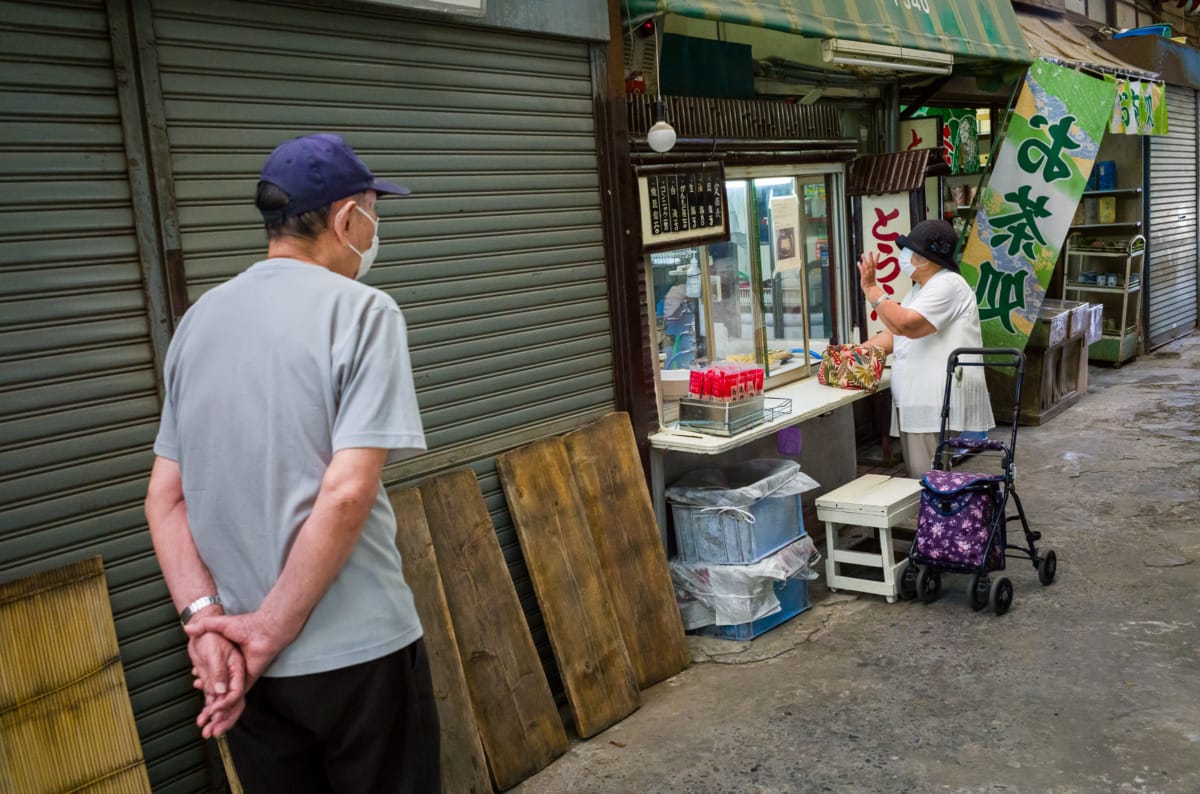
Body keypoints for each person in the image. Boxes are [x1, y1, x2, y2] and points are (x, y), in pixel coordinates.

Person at [144, 133, 440, 793]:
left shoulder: (197, 322)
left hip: (246, 674)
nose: (374, 229)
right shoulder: (365, 313)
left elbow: (164, 499)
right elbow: (345, 494)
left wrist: (209, 626)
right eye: (372, 212)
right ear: (345, 218)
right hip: (357, 657)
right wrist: (269, 629)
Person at [856, 219, 995, 479]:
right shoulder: (922, 289)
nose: (903, 256)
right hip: (921, 399)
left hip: (933, 400)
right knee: (928, 473)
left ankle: (939, 519)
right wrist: (856, 353)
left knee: (928, 477)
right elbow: (895, 334)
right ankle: (937, 518)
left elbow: (907, 324)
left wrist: (872, 290)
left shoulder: (948, 285)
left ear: (926, 258)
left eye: (909, 250)